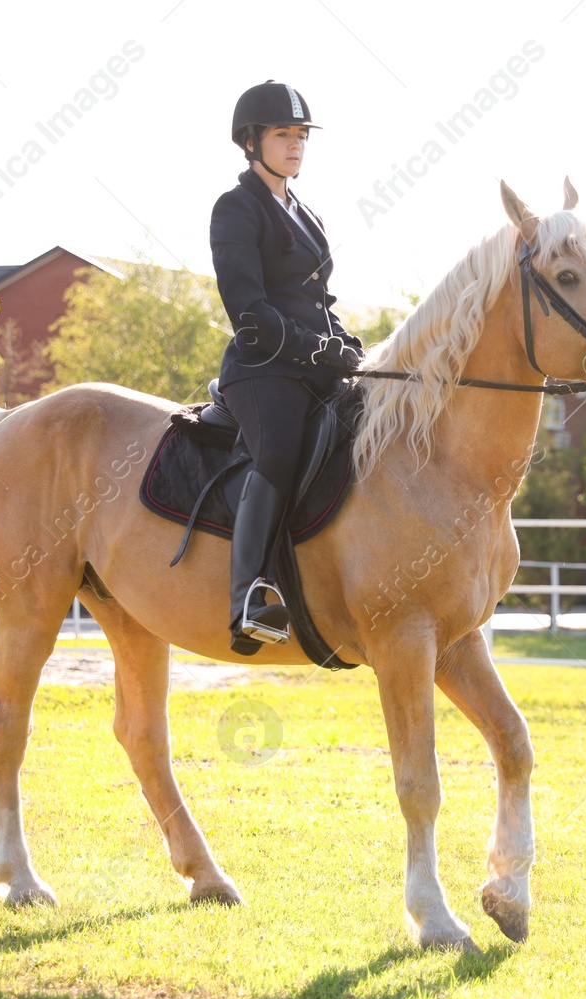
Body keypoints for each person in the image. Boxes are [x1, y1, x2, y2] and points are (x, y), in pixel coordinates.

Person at [210, 80, 365, 655]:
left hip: (314, 365)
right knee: (276, 450)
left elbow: (318, 304)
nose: (296, 144)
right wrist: (312, 349)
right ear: (251, 141)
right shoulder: (237, 207)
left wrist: (347, 343)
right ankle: (248, 595)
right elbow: (249, 312)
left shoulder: (306, 212)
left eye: (301, 135)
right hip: (262, 369)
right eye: (283, 134)